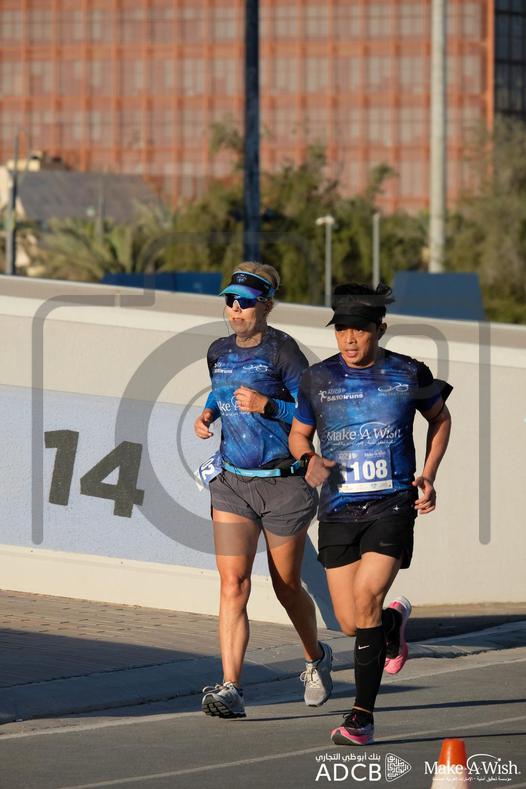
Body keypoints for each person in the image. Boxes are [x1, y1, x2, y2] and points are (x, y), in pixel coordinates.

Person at [289, 282, 452, 745]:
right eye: (341, 329)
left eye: (359, 330)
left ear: (380, 329)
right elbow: (299, 435)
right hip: (338, 509)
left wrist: (428, 474)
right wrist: (307, 459)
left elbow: (440, 418)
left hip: (392, 504)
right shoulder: (317, 379)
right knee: (350, 622)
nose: (349, 339)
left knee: (366, 599)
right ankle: (392, 625)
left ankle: (361, 716)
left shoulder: (409, 372)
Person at [194, 262, 333, 719]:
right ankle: (231, 688)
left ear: (266, 305)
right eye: (230, 300)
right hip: (233, 484)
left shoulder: (284, 352)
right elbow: (220, 390)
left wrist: (267, 405)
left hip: (284, 486)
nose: (235, 309)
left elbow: (313, 411)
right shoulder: (217, 351)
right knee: (233, 583)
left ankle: (315, 658)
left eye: (246, 302)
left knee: (286, 586)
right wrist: (208, 414)